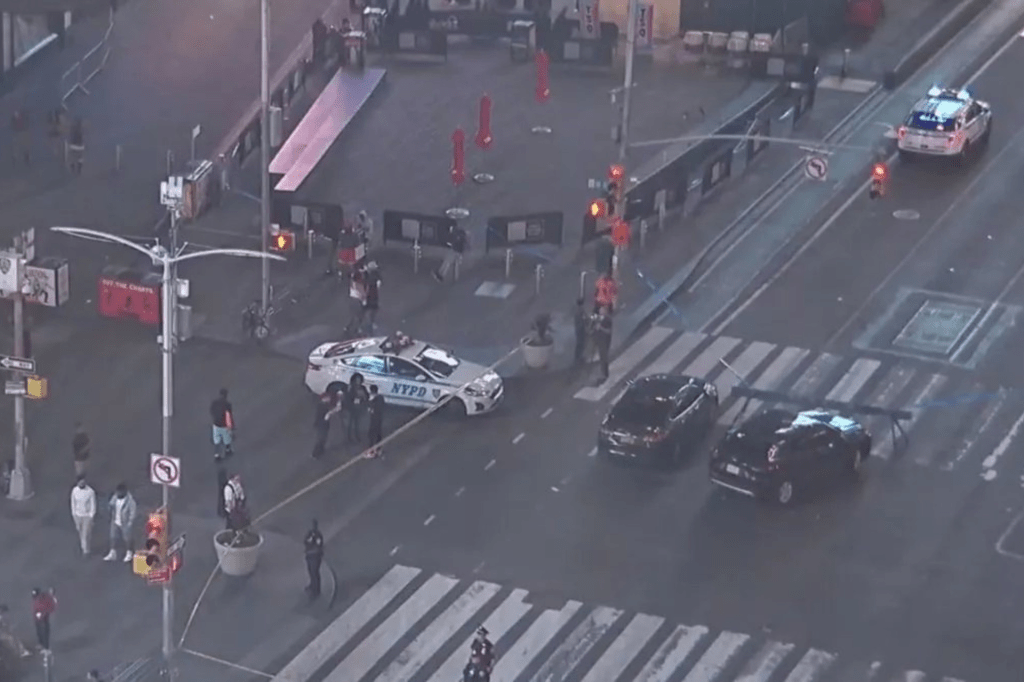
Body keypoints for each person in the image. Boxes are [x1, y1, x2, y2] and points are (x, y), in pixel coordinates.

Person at [104, 483, 136, 562]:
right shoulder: (115, 497)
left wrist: (130, 523)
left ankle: (129, 552)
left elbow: (133, 512)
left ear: (124, 492)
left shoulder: (130, 501)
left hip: (125, 522)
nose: (118, 494)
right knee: (113, 537)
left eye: (119, 492)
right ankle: (112, 552)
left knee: (127, 538)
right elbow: (111, 504)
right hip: (115, 521)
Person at [70, 475, 96, 556]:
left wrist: (91, 516)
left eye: (83, 482)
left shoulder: (90, 492)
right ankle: (84, 546)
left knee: (85, 533)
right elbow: (73, 503)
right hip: (77, 515)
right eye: (80, 482)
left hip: (87, 516)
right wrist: (74, 514)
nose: (82, 483)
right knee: (80, 532)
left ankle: (86, 551)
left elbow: (93, 505)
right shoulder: (74, 490)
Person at [312, 390, 341, 459]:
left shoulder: (323, 405)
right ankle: (316, 453)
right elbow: (326, 415)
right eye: (328, 398)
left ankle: (321, 451)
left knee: (323, 439)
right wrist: (332, 412)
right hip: (322, 425)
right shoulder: (322, 406)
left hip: (323, 424)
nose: (329, 399)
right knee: (321, 439)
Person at [210, 388, 235, 460]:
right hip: (224, 424)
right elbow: (229, 416)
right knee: (227, 438)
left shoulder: (214, 403)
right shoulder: (227, 404)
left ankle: (217, 455)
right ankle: (227, 450)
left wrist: (215, 418)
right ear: (226, 395)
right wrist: (231, 425)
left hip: (216, 423)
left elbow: (212, 411)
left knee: (217, 440)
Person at [345, 375, 370, 443]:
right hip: (351, 408)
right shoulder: (351, 388)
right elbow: (347, 397)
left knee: (357, 423)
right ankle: (349, 438)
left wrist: (363, 398)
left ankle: (357, 436)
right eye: (357, 380)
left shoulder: (363, 388)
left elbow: (367, 396)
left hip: (359, 408)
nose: (358, 381)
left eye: (359, 380)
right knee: (350, 423)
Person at [303, 519, 324, 598]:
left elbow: (319, 545)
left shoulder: (318, 535)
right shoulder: (310, 533)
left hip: (315, 556)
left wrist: (311, 542)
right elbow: (305, 541)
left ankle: (317, 590)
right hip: (309, 555)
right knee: (311, 572)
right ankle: (312, 585)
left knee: (315, 572)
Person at [30, 588, 56, 653]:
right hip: (38, 618)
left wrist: (43, 614)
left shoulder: (42, 599)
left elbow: (46, 608)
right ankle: (41, 644)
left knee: (44, 632)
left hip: (43, 618)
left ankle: (46, 648)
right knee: (39, 631)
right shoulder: (36, 599)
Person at [592, 306, 613, 382]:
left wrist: (600, 328)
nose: (600, 312)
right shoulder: (599, 320)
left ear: (605, 311)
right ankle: (603, 373)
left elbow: (608, 331)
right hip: (600, 341)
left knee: (604, 358)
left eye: (602, 310)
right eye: (600, 310)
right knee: (602, 358)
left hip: (605, 342)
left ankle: (604, 374)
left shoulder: (608, 320)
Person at [366, 384, 385, 458]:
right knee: (377, 434)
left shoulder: (375, 399)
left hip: (375, 419)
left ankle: (373, 451)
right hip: (378, 418)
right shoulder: (380, 398)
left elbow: (372, 408)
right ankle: (378, 449)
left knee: (372, 434)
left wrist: (371, 403)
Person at [572, 298, 589, 365]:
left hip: (577, 328)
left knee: (579, 343)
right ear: (582, 304)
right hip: (581, 329)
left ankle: (577, 357)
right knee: (581, 343)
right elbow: (585, 319)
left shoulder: (576, 310)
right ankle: (578, 358)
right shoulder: (581, 311)